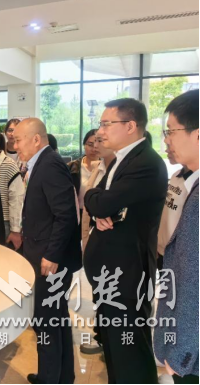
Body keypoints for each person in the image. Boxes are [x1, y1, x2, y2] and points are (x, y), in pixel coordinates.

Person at [84, 98, 167, 384]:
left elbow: (99, 200)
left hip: (128, 275)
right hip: (112, 273)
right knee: (115, 347)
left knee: (130, 350)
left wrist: (97, 205)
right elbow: (98, 198)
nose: (100, 131)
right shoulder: (123, 158)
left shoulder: (146, 163)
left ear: (130, 126)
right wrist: (98, 209)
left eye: (107, 124)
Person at [13, 118, 81, 384]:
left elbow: (65, 215)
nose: (15, 145)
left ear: (36, 139)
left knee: (47, 321)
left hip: (51, 258)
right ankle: (60, 376)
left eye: (18, 140)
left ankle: (51, 378)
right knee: (55, 318)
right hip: (44, 252)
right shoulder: (41, 163)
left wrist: (51, 255)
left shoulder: (49, 164)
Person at [155, 89, 199, 385]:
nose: (167, 140)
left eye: (171, 131)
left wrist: (181, 352)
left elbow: (195, 281)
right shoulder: (186, 180)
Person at [79, 134, 115, 356]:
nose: (96, 146)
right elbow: (89, 201)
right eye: (92, 142)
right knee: (100, 292)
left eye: (101, 141)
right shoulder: (98, 168)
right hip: (94, 234)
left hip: (112, 243)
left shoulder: (121, 171)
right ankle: (101, 336)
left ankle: (107, 339)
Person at [156, 147, 191, 271]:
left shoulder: (194, 182)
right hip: (163, 251)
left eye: (171, 146)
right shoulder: (176, 175)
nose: (167, 150)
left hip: (180, 258)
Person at [68, 129, 100, 212]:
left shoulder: (106, 168)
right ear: (84, 145)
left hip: (97, 213)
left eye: (98, 144)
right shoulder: (71, 167)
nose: (94, 149)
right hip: (76, 213)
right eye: (90, 144)